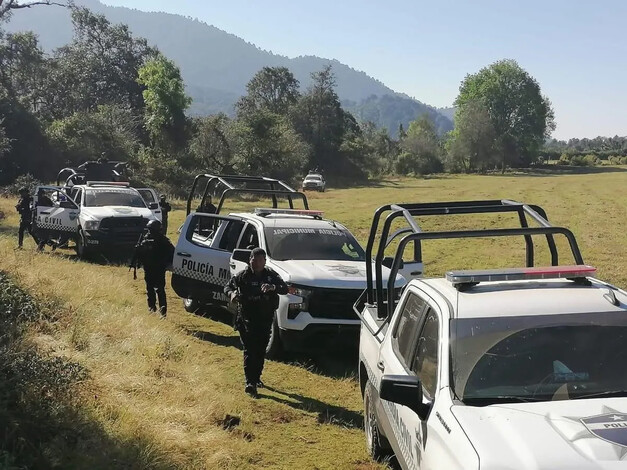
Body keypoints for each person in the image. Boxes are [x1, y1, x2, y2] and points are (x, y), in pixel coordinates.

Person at [224, 248, 288, 398]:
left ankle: (256, 377)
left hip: (265, 320)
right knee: (249, 349)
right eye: (254, 260)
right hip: (246, 319)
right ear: (250, 260)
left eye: (260, 260)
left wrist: (272, 287)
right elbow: (227, 286)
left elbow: (285, 288)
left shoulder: (270, 275)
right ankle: (250, 383)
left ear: (264, 261)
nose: (257, 263)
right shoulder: (243, 276)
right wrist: (232, 294)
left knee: (260, 350)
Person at [130, 220, 175, 317]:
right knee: (150, 289)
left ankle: (162, 311)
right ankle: (152, 308)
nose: (150, 232)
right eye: (149, 230)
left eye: (152, 230)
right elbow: (140, 253)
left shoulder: (164, 241)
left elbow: (171, 253)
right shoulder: (146, 239)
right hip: (149, 268)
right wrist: (140, 250)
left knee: (160, 290)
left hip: (158, 268)